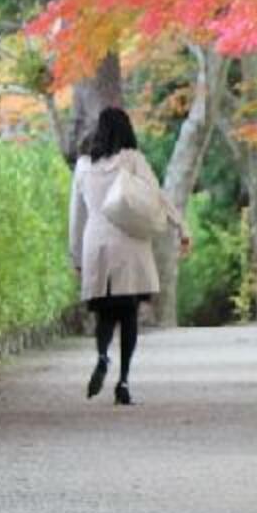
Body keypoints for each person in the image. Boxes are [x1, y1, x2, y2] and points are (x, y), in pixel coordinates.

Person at [67, 107, 187, 404]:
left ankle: (102, 356)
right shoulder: (132, 160)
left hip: (96, 244)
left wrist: (77, 257)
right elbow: (157, 195)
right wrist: (181, 226)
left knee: (105, 313)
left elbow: (76, 217)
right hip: (130, 245)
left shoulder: (83, 167)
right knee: (128, 314)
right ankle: (123, 381)